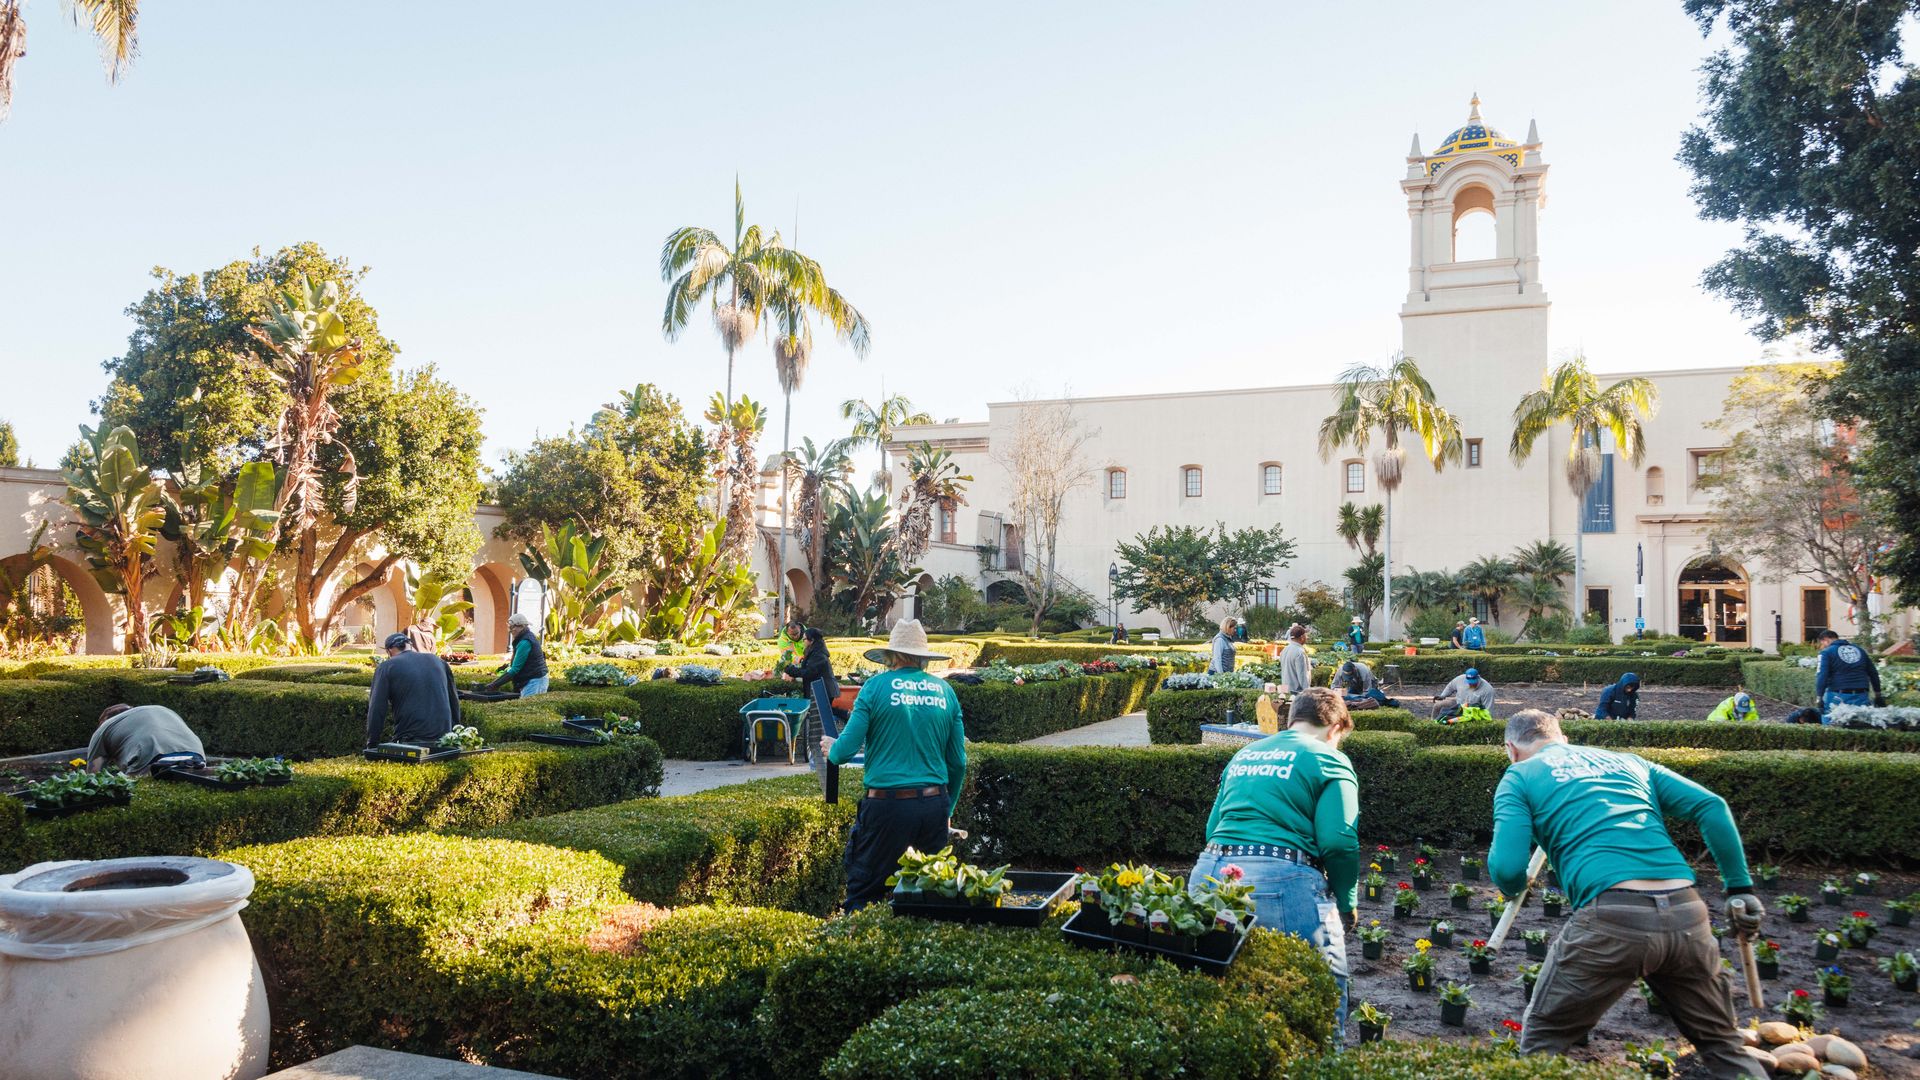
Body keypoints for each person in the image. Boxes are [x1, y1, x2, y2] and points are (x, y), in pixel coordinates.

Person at [1488, 710, 1765, 1077]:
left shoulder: (1520, 776)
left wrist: (1512, 888)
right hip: (1686, 913)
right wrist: (1739, 888)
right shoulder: (1627, 762)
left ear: (1511, 748)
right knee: (1723, 1045)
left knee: (1543, 1044)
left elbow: (1507, 869)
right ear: (1563, 738)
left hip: (1611, 920)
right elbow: (1710, 806)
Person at [1190, 687, 1359, 1031]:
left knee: (1217, 995)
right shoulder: (1329, 758)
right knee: (1323, 993)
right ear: (1336, 727)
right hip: (1278, 881)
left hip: (1209, 873)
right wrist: (1347, 902)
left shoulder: (1245, 753)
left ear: (1293, 718)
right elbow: (1338, 843)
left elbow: (1212, 828)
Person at [822, 619, 968, 911]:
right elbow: (958, 763)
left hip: (887, 807)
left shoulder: (875, 687)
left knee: (864, 892)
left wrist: (831, 747)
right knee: (933, 894)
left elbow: (844, 752)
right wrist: (947, 811)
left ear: (891, 655)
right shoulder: (945, 691)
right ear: (923, 657)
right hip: (934, 805)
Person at [367, 632, 461, 748]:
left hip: (410, 740)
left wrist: (372, 743)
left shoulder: (387, 667)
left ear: (389, 651)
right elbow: (453, 700)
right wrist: (455, 734)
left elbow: (377, 708)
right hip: (444, 739)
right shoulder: (439, 661)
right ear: (410, 645)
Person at [86, 703, 205, 775]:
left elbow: (93, 776)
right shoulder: (161, 710)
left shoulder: (104, 728)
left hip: (149, 759)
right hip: (196, 755)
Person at [783, 626, 839, 763]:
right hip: (819, 690)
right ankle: (819, 750)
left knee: (820, 720)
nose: (802, 642)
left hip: (823, 690)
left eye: (804, 640)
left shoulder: (819, 654)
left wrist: (792, 671)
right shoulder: (815, 651)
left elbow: (809, 672)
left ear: (811, 640)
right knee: (821, 717)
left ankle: (821, 751)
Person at [1814, 628, 1884, 723]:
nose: (1823, 646)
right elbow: (1873, 673)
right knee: (1861, 724)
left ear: (1826, 639)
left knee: (1831, 725)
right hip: (1862, 695)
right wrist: (1878, 694)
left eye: (1823, 643)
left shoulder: (1826, 653)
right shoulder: (1860, 650)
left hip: (1837, 695)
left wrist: (1819, 697)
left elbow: (1822, 675)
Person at [482, 612, 549, 697]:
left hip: (535, 681)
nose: (510, 630)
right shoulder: (525, 638)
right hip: (535, 679)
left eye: (512, 627)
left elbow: (515, 669)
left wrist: (495, 684)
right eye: (509, 627)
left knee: (526, 709)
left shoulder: (525, 642)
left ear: (521, 626)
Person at [1280, 623, 1311, 694]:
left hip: (1285, 690)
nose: (1307, 637)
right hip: (1296, 692)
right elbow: (1302, 676)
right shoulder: (1300, 652)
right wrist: (1308, 693)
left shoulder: (1285, 649)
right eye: (1306, 635)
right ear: (1302, 637)